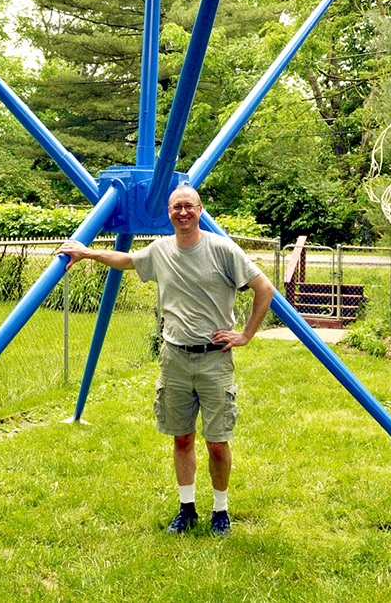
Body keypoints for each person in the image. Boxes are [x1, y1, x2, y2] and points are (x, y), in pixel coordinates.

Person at [58, 184, 275, 537]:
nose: (183, 212)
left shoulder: (221, 250)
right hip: (174, 358)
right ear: (169, 213)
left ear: (200, 210)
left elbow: (264, 289)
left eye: (189, 206)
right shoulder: (161, 250)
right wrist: (87, 253)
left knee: (218, 442)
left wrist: (246, 335)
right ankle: (186, 509)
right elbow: (128, 261)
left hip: (214, 359)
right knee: (182, 438)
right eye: (176, 207)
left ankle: (220, 510)